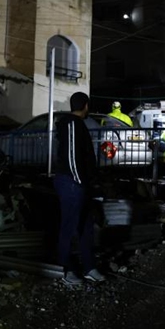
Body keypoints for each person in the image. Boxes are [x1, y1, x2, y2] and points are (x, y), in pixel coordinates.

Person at [53, 92, 106, 286]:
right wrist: (79, 181)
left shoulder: (74, 124)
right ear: (85, 105)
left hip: (78, 183)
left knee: (85, 226)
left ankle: (89, 267)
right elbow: (73, 157)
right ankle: (66, 270)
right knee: (69, 227)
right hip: (72, 184)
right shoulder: (72, 124)